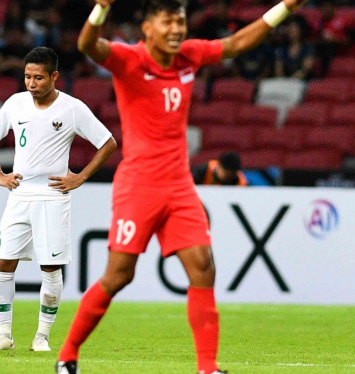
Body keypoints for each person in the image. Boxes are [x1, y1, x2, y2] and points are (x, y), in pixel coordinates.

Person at [56, 0, 307, 373]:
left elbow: (237, 43)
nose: (177, 29)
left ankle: (207, 368)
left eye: (181, 21)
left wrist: (285, 7)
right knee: (119, 274)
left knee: (203, 267)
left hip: (179, 185)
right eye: (168, 22)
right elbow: (88, 46)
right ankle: (67, 357)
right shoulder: (129, 60)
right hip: (139, 184)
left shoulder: (189, 56)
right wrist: (101, 10)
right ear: (148, 29)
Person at [0, 47, 116, 352]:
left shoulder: (71, 108)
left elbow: (108, 142)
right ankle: (4, 335)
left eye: (38, 77)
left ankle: (41, 336)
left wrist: (79, 177)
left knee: (50, 268)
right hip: (20, 194)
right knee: (4, 263)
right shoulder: (15, 104)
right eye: (27, 76)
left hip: (54, 197)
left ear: (54, 76)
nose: (31, 83)